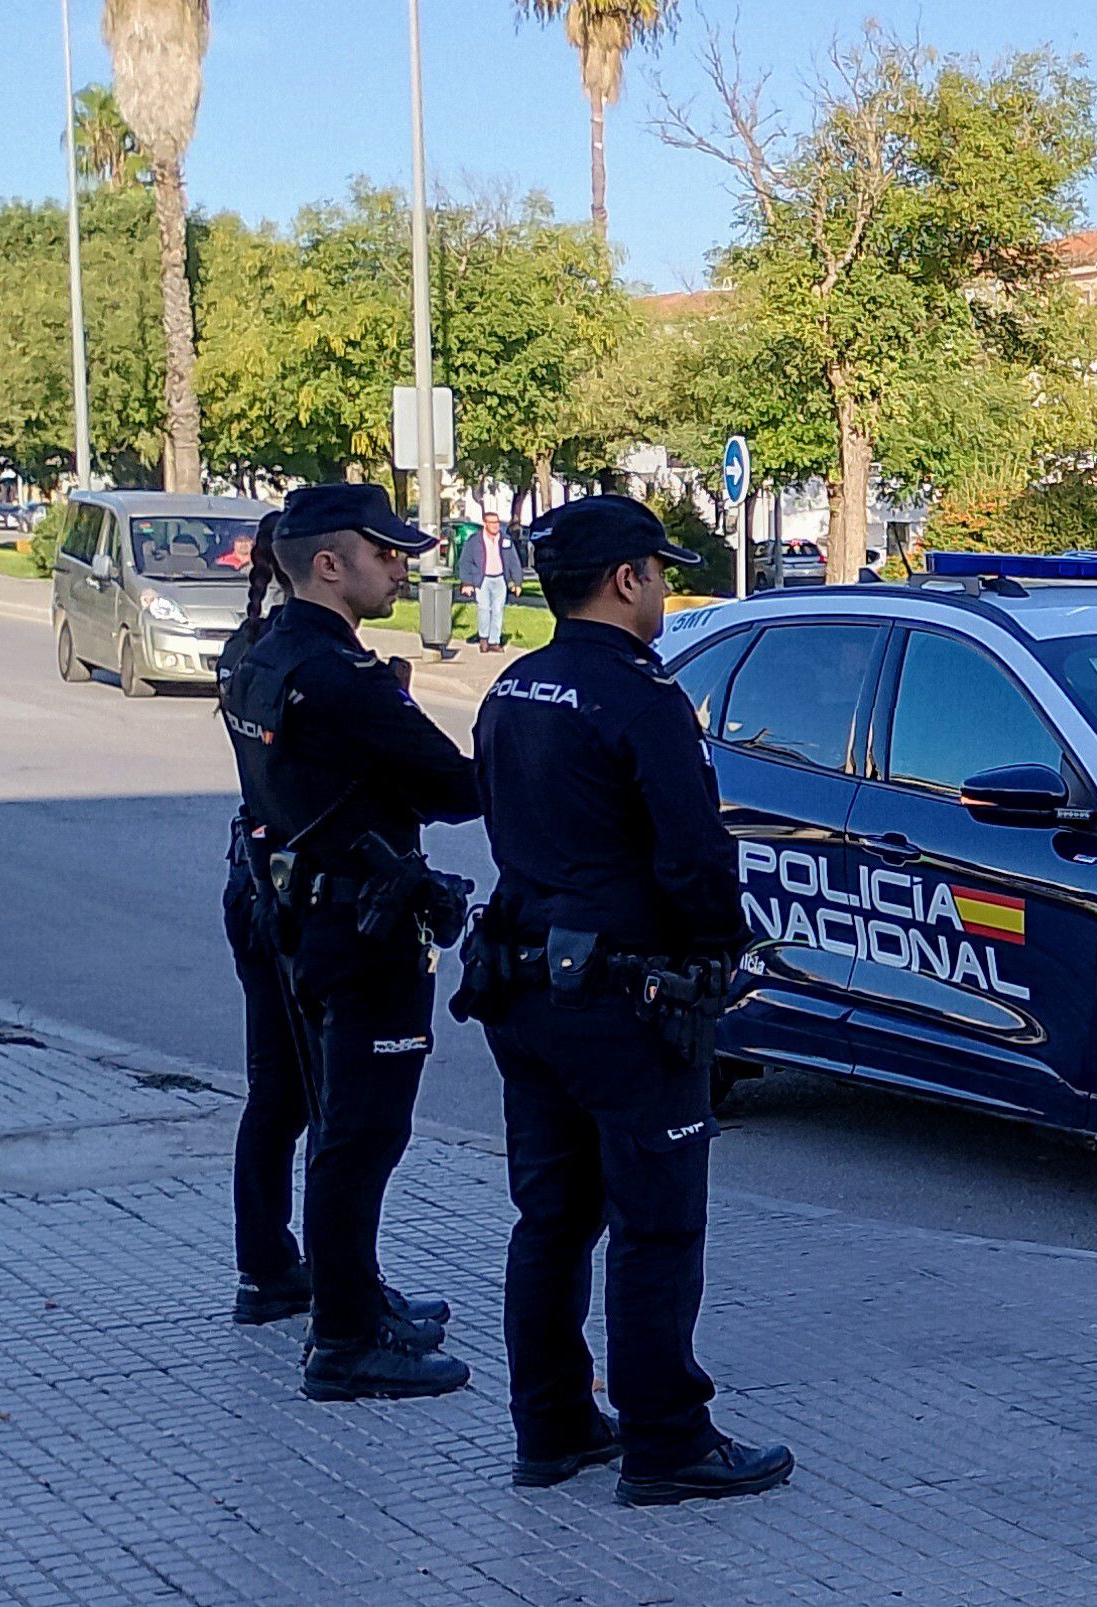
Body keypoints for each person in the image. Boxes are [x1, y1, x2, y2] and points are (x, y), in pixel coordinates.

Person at [466, 494, 792, 1506]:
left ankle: (553, 1424)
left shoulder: (513, 685)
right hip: (627, 1001)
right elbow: (696, 858)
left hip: (526, 987)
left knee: (551, 1217)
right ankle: (667, 1441)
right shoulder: (645, 700)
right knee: (656, 1225)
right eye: (659, 570)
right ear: (625, 580)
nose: (665, 587)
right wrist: (721, 953)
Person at [221, 482, 481, 1402]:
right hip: (356, 923)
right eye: (386, 553)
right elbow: (454, 787)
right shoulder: (340, 678)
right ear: (329, 563)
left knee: (307, 1109)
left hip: (287, 909)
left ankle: (325, 1289)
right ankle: (344, 1337)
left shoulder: (259, 652)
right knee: (361, 1133)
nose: (402, 566)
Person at [215, 514, 311, 1325]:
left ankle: (267, 1264)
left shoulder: (245, 649)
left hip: (251, 884)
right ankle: (337, 1287)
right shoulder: (299, 659)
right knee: (323, 1099)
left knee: (275, 1093)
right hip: (297, 901)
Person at [459, 510, 529, 654]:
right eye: (492, 523)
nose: (496, 526)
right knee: (484, 609)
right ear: (485, 524)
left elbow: (514, 562)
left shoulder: (505, 540)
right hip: (482, 580)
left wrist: (517, 582)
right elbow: (465, 561)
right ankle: (484, 639)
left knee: (498, 610)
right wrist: (466, 582)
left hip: (500, 579)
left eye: (497, 522)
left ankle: (494, 641)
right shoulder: (474, 541)